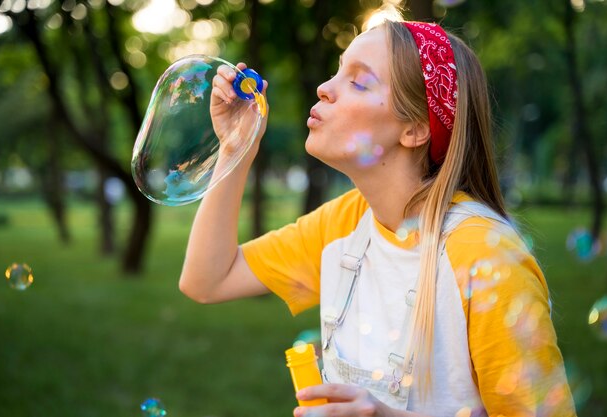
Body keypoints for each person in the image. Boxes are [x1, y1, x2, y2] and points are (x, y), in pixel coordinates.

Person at [179, 13, 577, 417]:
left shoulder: (483, 255)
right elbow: (208, 280)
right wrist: (235, 147)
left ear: (416, 129)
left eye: (358, 81)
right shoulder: (348, 223)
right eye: (337, 72)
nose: (323, 88)